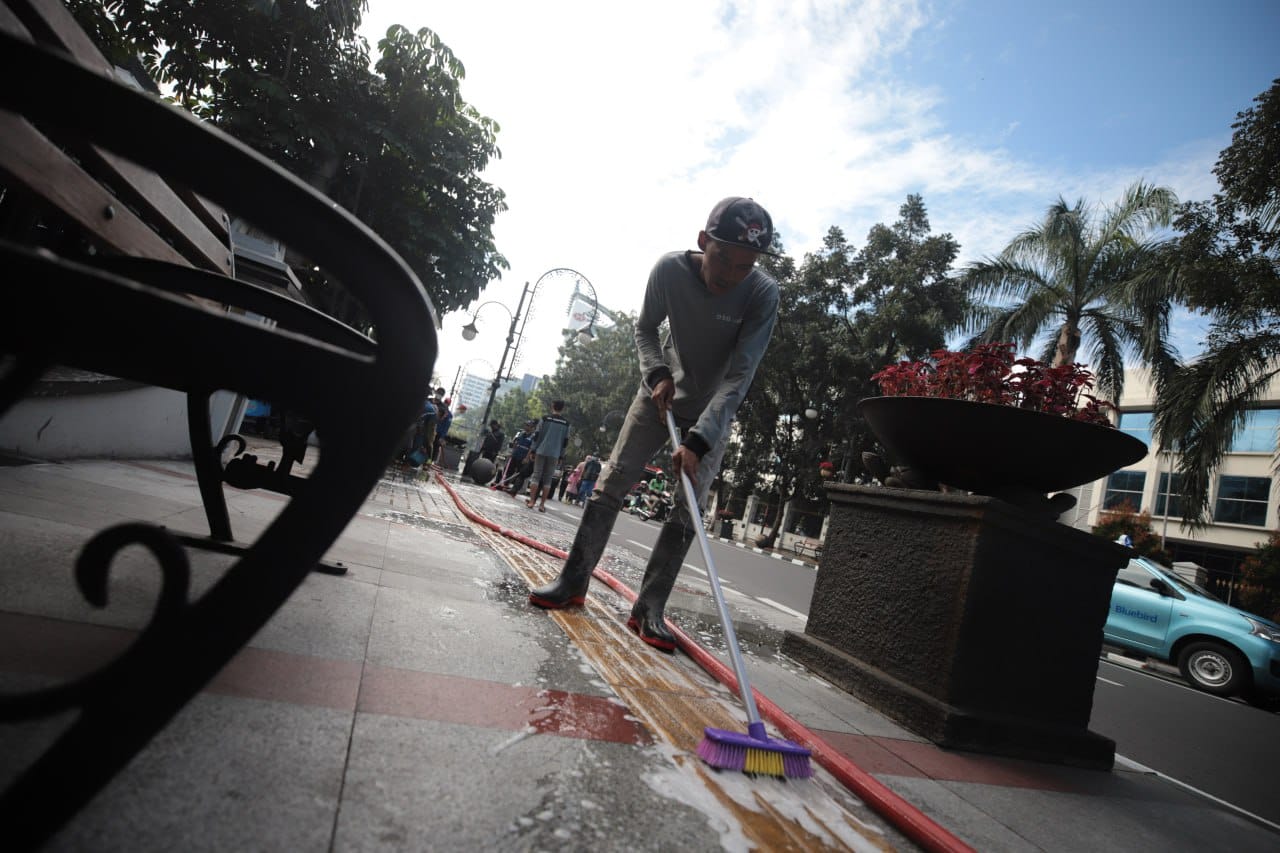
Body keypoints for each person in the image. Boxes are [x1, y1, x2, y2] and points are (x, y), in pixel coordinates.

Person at [528, 197, 781, 652]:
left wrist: (700, 441)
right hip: (658, 395)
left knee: (689, 507)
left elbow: (740, 375)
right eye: (723, 258)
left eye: (744, 266)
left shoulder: (762, 294)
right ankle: (573, 580)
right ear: (703, 242)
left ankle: (649, 608)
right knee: (613, 480)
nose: (730, 275)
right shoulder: (669, 271)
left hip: (712, 410)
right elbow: (645, 328)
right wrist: (657, 373)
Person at [525, 400, 571, 512]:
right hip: (555, 454)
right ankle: (542, 505)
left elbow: (537, 435)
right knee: (548, 479)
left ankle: (531, 501)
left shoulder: (545, 419)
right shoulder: (566, 424)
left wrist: (533, 450)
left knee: (536, 476)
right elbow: (565, 441)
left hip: (541, 450)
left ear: (552, 406)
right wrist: (561, 456)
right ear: (563, 408)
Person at [495, 419, 537, 492]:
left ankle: (515, 489)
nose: (526, 427)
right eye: (526, 425)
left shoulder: (533, 437)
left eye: (528, 426)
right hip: (515, 455)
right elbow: (515, 443)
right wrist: (512, 452)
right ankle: (504, 484)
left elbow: (531, 448)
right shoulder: (521, 433)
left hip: (523, 457)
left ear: (532, 428)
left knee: (520, 474)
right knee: (508, 470)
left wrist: (527, 458)